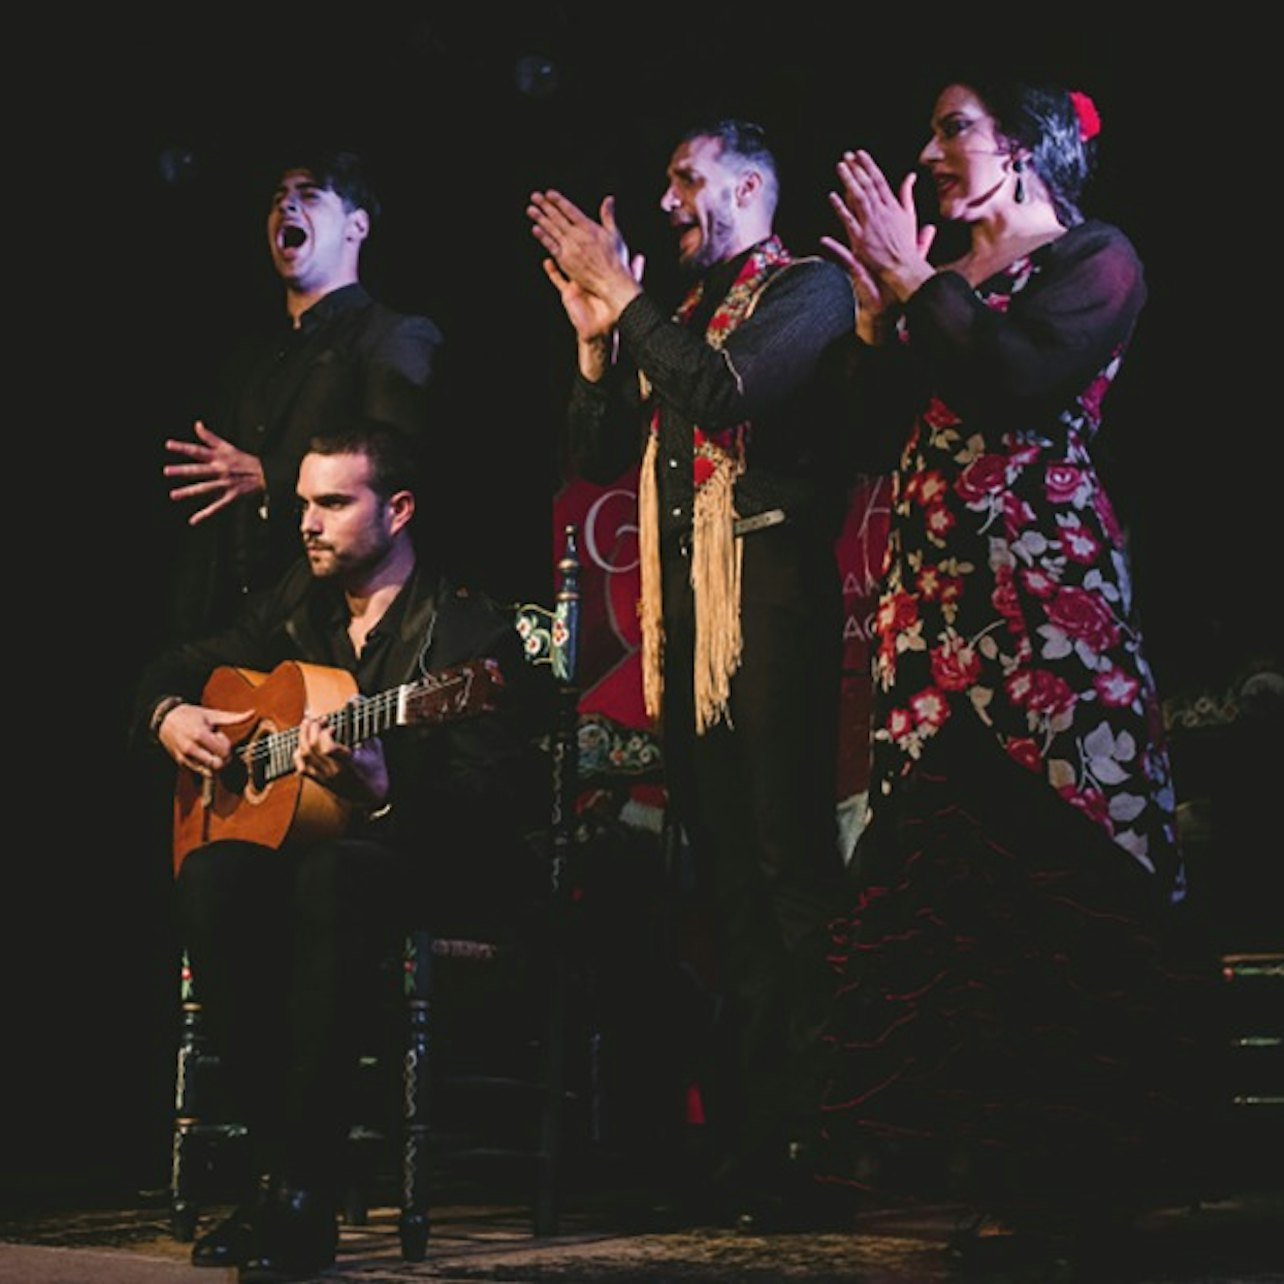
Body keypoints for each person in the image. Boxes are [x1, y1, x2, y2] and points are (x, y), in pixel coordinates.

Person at [814, 79, 1216, 1269]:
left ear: (1028, 146)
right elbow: (868, 437)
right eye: (933, 129)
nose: (932, 150)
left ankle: (1080, 1185)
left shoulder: (1094, 257)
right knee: (956, 884)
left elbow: (1017, 377)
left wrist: (915, 284)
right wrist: (874, 322)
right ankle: (994, 1181)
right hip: (934, 613)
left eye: (956, 127)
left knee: (1060, 875)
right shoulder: (935, 280)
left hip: (1046, 609)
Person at [527, 118, 857, 1231]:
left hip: (769, 606)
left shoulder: (807, 289)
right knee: (725, 886)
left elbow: (722, 392)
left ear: (751, 186)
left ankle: (823, 1133)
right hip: (696, 621)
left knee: (785, 868)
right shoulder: (682, 314)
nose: (668, 200)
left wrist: (627, 304)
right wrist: (595, 343)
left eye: (688, 178)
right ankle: (754, 1142)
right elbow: (593, 456)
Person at [132, 423, 546, 1280]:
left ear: (399, 510)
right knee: (210, 877)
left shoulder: (468, 640)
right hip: (308, 864)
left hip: (426, 865)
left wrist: (382, 790)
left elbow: (495, 805)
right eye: (302, 504)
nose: (307, 524)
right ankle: (277, 1175)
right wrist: (168, 713)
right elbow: (181, 661)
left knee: (335, 877)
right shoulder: (298, 602)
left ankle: (301, 1190)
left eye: (331, 503)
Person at [162, 148, 444, 639]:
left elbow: (398, 461)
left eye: (309, 195)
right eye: (279, 198)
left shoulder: (391, 335)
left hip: (326, 618)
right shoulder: (251, 358)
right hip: (236, 619)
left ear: (356, 226)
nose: (287, 206)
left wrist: (269, 476)